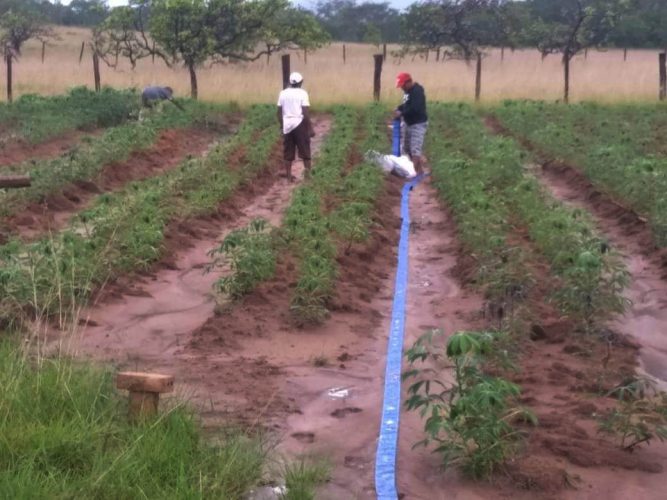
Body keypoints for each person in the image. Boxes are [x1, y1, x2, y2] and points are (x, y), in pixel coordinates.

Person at [277, 72, 315, 181]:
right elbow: (305, 113)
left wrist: (282, 125)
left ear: (290, 82)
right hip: (299, 124)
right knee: (305, 151)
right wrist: (310, 128)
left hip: (287, 125)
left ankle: (289, 177)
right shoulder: (302, 93)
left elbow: (279, 113)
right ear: (301, 82)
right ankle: (308, 177)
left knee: (288, 152)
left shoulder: (283, 93)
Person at [393, 72, 428, 174]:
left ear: (408, 82)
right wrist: (399, 108)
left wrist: (401, 113)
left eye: (402, 85)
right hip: (408, 123)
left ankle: (411, 173)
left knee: (415, 149)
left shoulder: (417, 92)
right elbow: (406, 105)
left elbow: (415, 109)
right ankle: (419, 170)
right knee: (406, 148)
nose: (402, 88)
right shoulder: (407, 92)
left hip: (418, 124)